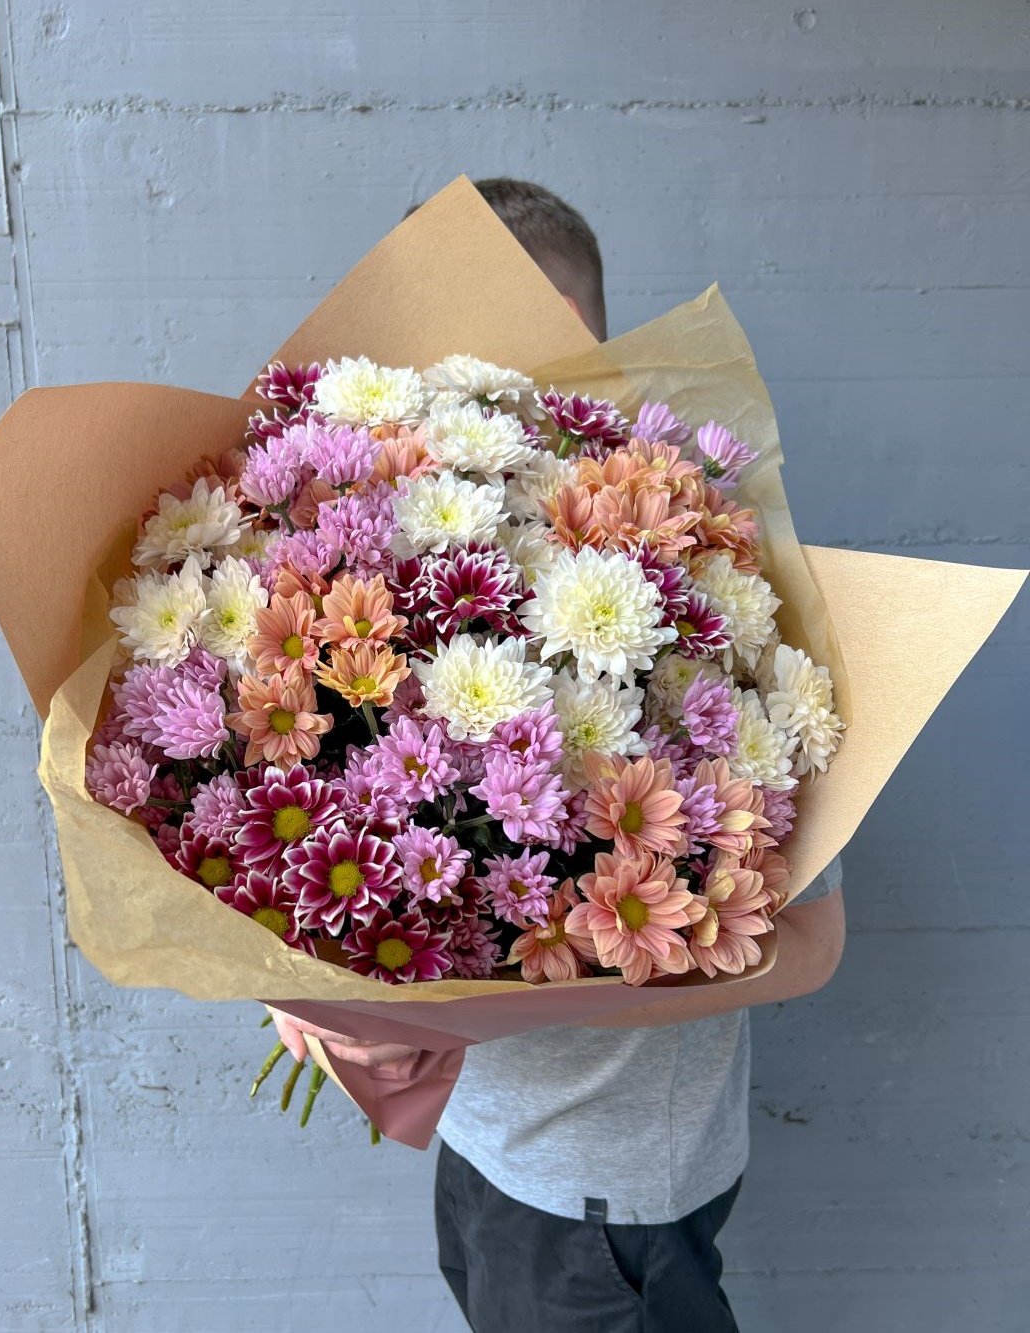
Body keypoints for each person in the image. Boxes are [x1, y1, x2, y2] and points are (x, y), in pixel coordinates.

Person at [271, 178, 847, 1333]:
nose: (508, 386)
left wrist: (493, 1002)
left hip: (610, 1190)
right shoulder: (384, 550)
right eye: (472, 347)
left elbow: (809, 948)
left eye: (546, 343)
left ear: (605, 344)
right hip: (489, 1144)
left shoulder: (717, 590)